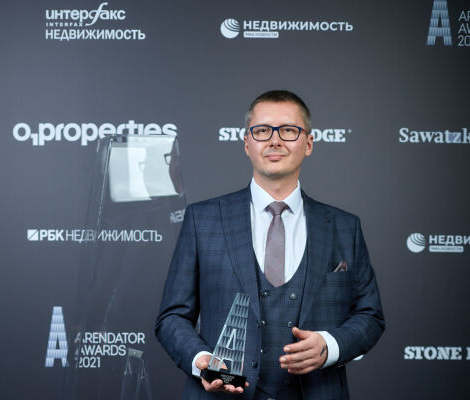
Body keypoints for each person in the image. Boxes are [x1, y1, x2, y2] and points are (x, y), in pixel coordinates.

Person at [155, 90, 385, 400]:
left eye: (288, 130)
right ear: (246, 143)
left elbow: (370, 316)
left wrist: (329, 346)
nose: (275, 140)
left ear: (309, 143)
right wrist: (203, 362)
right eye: (262, 130)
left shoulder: (345, 227)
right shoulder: (203, 219)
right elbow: (172, 317)